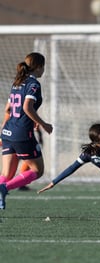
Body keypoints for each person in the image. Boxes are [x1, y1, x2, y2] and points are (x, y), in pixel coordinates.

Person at [0, 52, 53, 210]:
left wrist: (3, 131)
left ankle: (2, 190)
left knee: (7, 174)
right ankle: (4, 189)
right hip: (22, 134)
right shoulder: (33, 84)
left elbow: (8, 109)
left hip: (8, 132)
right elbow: (26, 107)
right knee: (38, 170)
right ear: (39, 67)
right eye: (44, 67)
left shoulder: (17, 82)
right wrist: (43, 124)